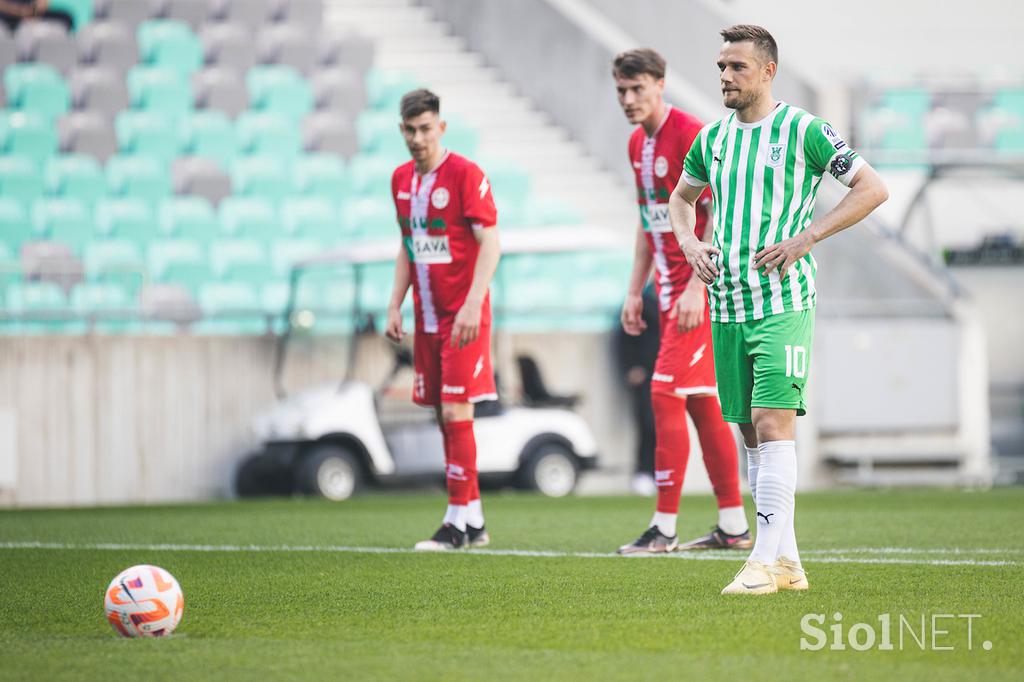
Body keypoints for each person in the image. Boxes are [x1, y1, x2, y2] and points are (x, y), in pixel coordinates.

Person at [670, 25, 888, 593]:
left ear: (768, 72)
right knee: (749, 433)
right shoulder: (713, 139)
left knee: (773, 425)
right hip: (727, 304)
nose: (725, 76)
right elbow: (680, 199)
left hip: (782, 302)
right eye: (721, 66)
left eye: (737, 67)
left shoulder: (803, 130)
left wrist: (807, 237)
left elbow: (871, 188)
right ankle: (787, 562)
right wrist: (691, 243)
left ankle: (760, 562)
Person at [612, 48, 751, 556]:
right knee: (702, 405)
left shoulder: (690, 133)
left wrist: (698, 285)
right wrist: (634, 290)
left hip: (699, 294)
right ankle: (734, 526)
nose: (629, 100)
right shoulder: (635, 145)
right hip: (667, 296)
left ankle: (664, 529)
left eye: (637, 89)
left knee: (663, 394)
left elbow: (718, 211)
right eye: (622, 91)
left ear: (660, 84)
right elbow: (650, 223)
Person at [385, 89, 501, 552]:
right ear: (402, 130)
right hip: (426, 320)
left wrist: (474, 303)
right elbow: (407, 248)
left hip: (463, 319)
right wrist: (395, 304)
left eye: (426, 129)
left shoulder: (465, 174)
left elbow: (489, 243)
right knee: (442, 414)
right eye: (410, 130)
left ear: (441, 128)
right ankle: (472, 521)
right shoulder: (399, 180)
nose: (418, 138)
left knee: (456, 412)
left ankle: (456, 522)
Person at [613, 284, 659, 496]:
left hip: (672, 372)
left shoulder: (681, 297)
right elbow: (625, 336)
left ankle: (663, 472)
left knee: (666, 427)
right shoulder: (643, 300)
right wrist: (632, 366)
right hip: (647, 375)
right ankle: (644, 471)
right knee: (647, 424)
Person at [0, 0, 73, 32]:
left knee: (65, 18)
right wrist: (20, 12)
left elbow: (43, 4)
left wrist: (35, 11)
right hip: (9, 15)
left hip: (32, 12)